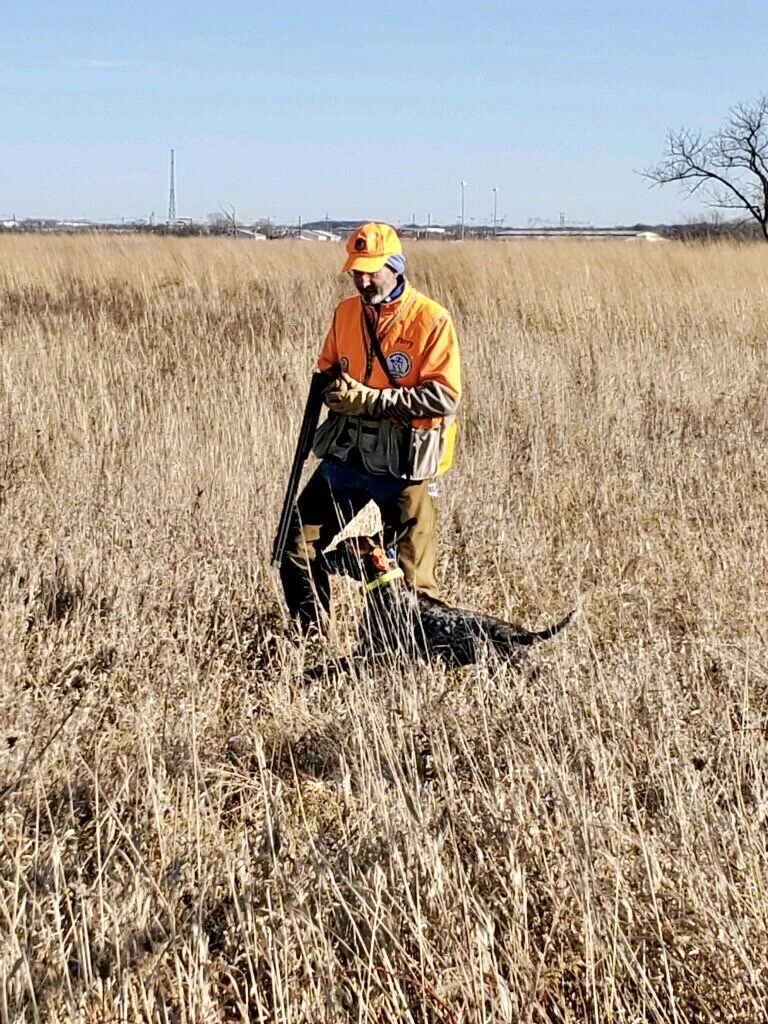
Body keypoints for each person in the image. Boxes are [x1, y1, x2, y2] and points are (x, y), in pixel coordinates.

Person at [280, 221, 461, 633]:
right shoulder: (346, 313)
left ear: (396, 266)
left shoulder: (431, 320)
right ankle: (310, 637)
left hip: (402, 465)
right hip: (347, 457)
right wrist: (333, 391)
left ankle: (408, 656)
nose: (362, 279)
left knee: (415, 582)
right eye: (356, 270)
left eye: (371, 269)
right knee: (295, 546)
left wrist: (374, 401)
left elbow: (444, 397)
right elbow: (325, 372)